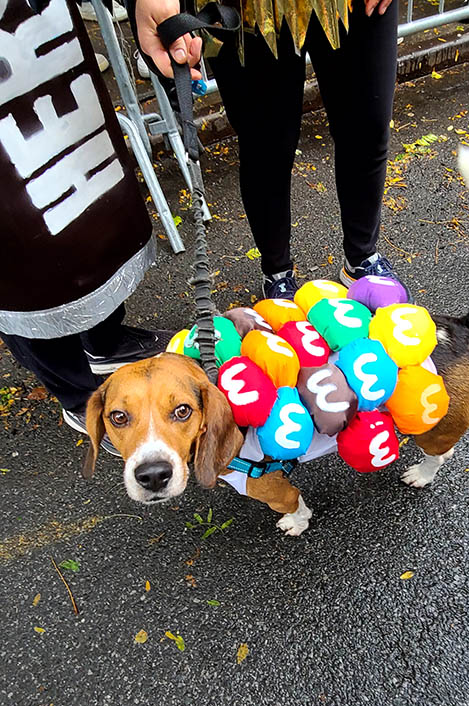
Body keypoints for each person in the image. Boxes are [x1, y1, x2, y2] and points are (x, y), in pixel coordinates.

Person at [131, 0, 408, 300]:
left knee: (367, 124)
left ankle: (362, 259)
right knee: (266, 146)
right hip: (249, 7)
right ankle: (277, 274)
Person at [0, 0, 172, 452]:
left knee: (85, 203)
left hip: (37, 37)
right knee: (16, 259)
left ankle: (105, 339)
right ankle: (78, 395)